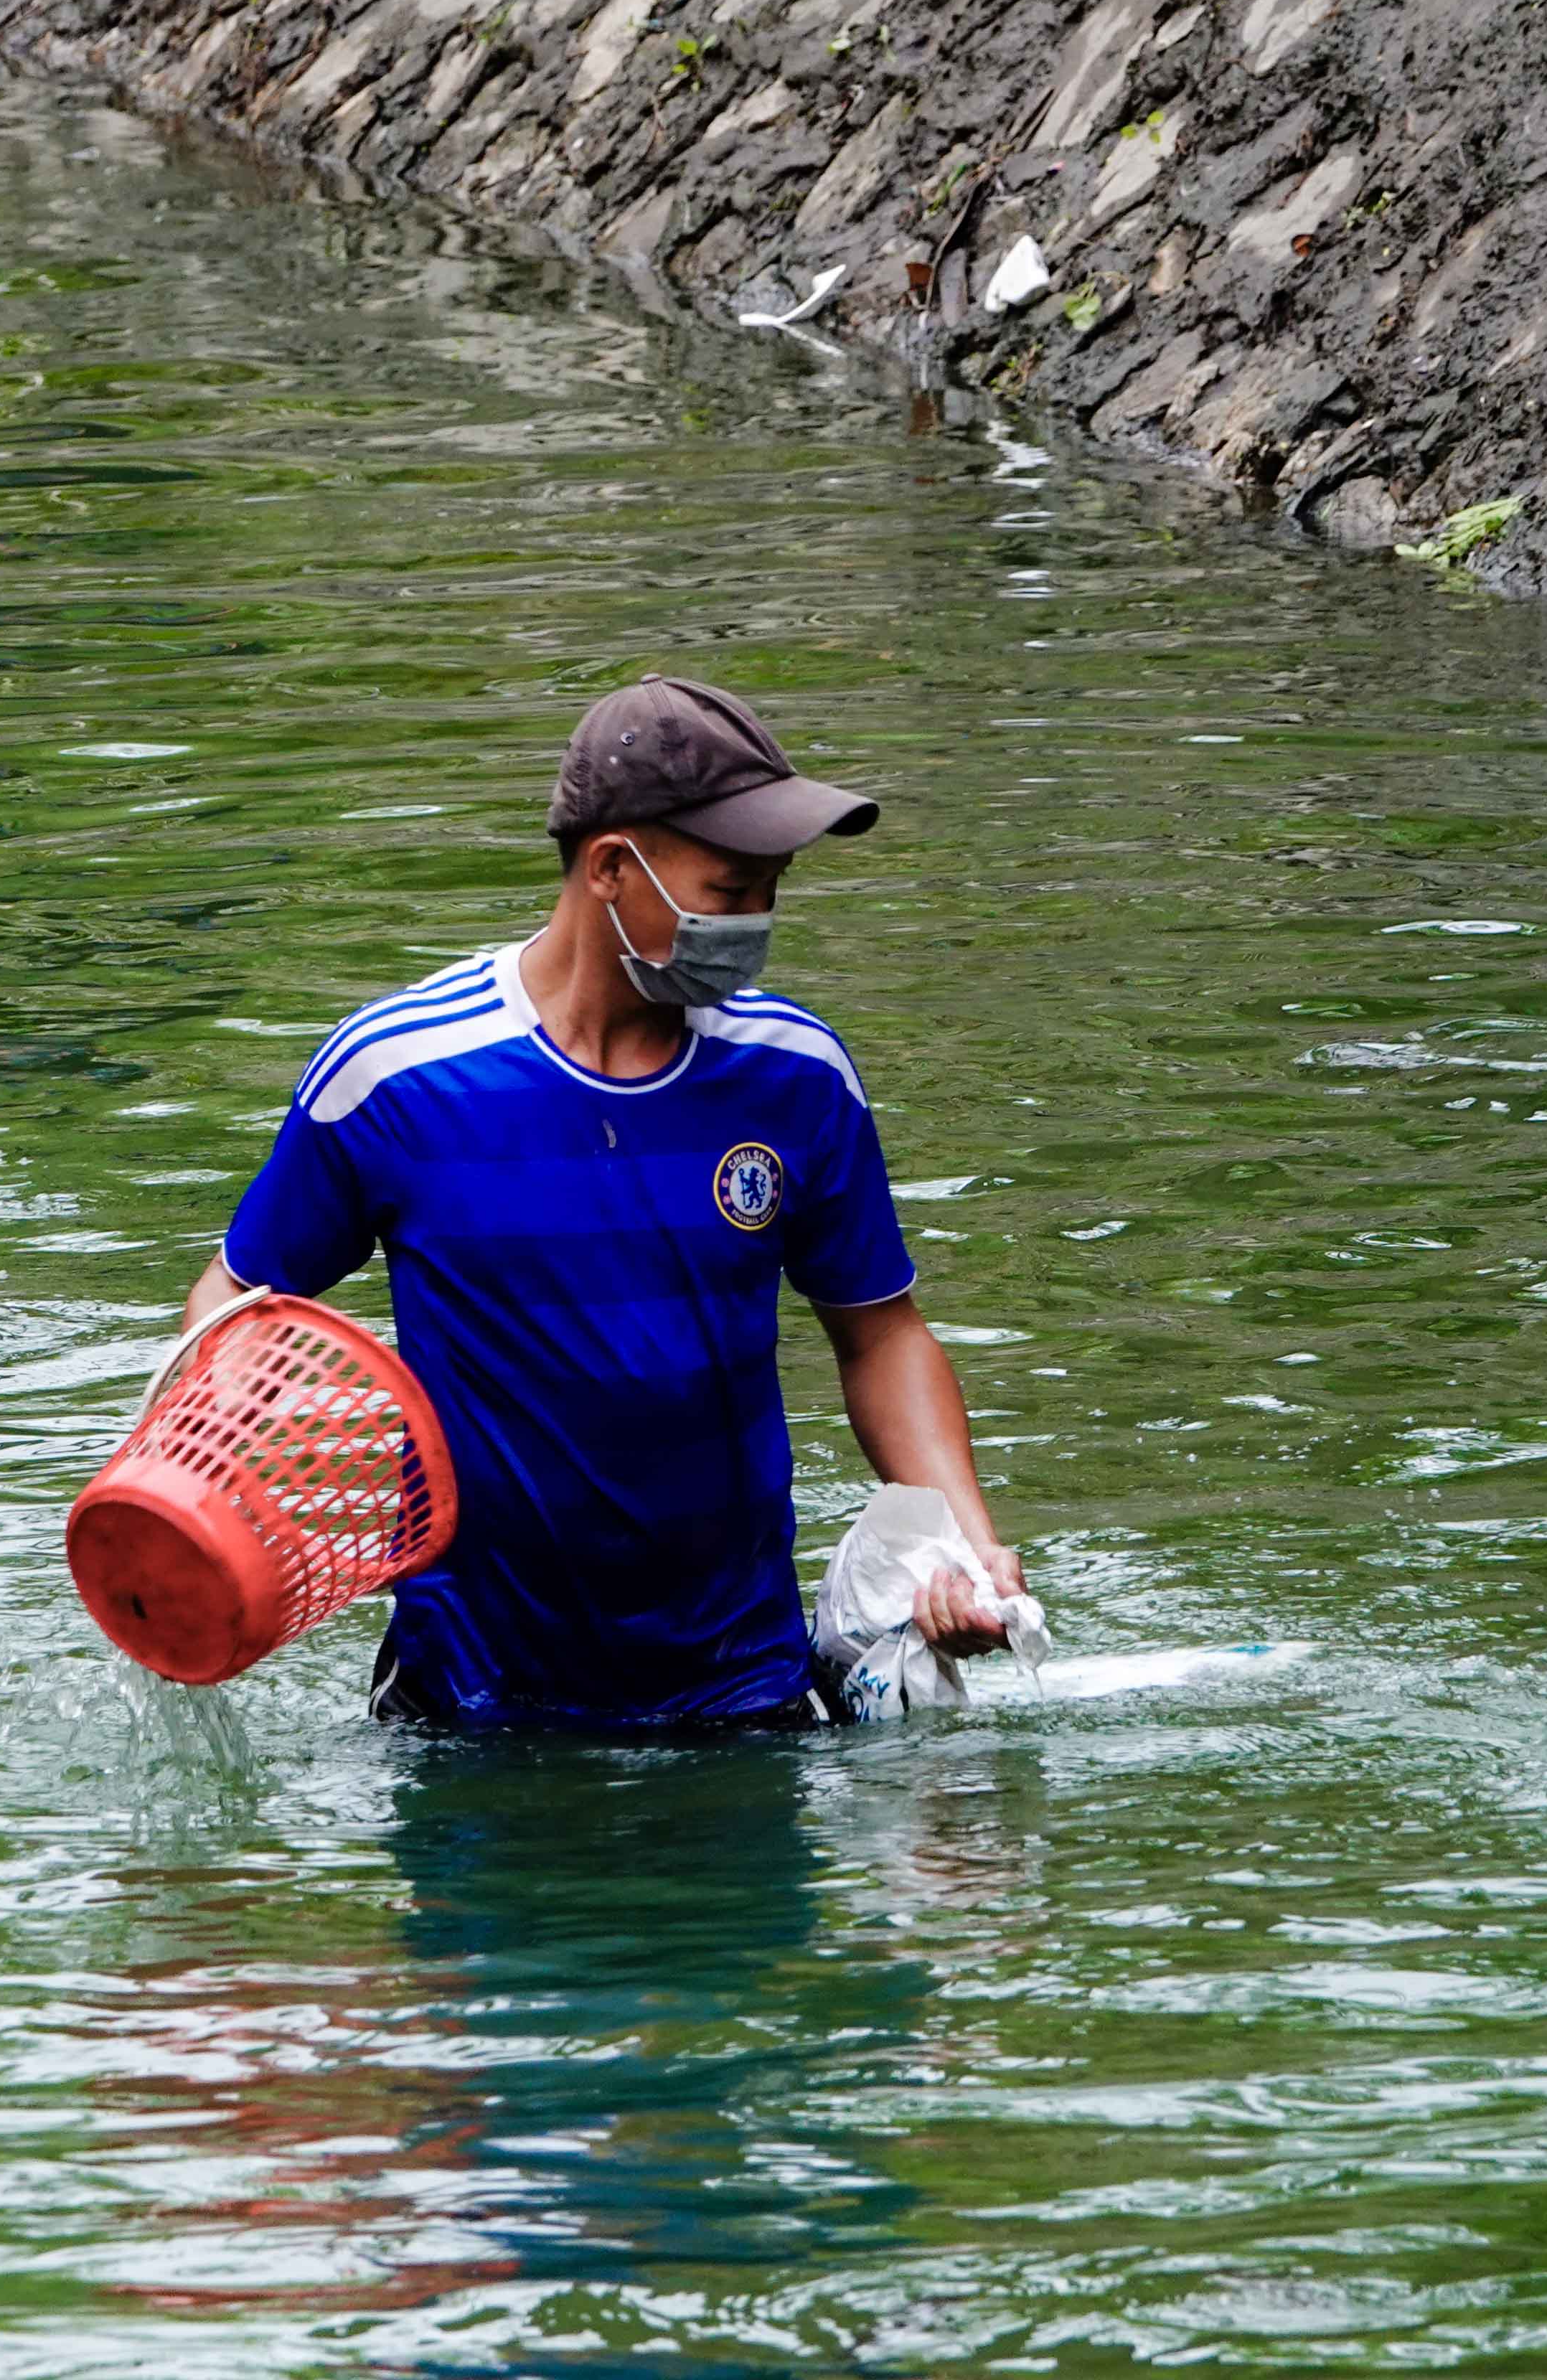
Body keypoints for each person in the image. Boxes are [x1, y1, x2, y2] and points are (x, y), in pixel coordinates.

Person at [187, 674, 1022, 1727]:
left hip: (741, 1688)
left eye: (774, 886)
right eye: (730, 889)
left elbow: (880, 1336)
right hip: (471, 1704)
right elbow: (238, 1296)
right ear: (612, 868)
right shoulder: (399, 1074)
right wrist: (243, 1473)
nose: (759, 919)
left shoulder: (797, 1074)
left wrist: (965, 1543)